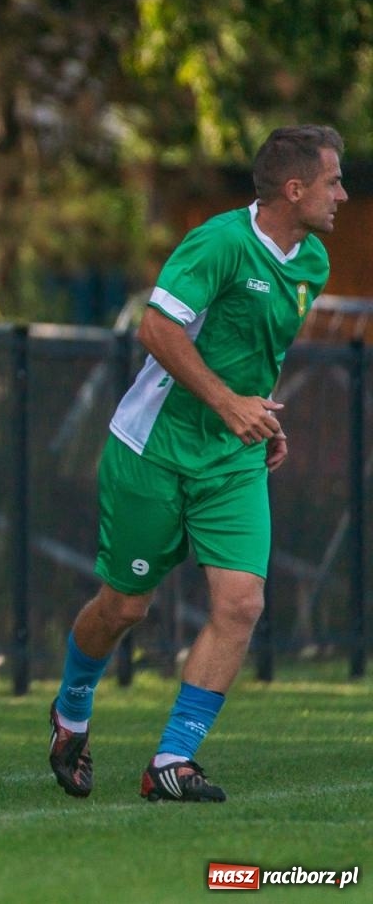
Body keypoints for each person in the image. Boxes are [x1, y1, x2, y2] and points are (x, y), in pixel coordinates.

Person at [47, 124, 345, 804]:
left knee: (241, 603)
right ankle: (71, 710)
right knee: (124, 606)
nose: (343, 195)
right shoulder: (219, 243)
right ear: (294, 188)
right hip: (153, 450)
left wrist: (258, 416)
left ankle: (173, 760)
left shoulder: (313, 262)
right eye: (333, 181)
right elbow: (156, 328)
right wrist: (226, 404)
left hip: (231, 459)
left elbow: (256, 350)